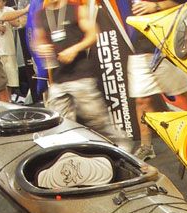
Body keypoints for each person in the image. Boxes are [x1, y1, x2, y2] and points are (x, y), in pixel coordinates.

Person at [32, 0, 123, 142]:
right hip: (58, 80)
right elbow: (37, 40)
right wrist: (41, 47)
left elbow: (93, 34)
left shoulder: (76, 9)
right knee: (59, 126)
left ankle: (120, 146)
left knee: (98, 123)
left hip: (81, 77)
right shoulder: (41, 15)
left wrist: (75, 49)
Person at [128, 0, 187, 161]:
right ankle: (146, 147)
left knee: (185, 92)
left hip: (165, 43)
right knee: (142, 100)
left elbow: (186, 2)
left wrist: (156, 6)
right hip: (141, 46)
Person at [0, 0, 24, 99]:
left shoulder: (9, 10)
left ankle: (9, 100)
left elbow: (18, 23)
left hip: (9, 51)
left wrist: (6, 17)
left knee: (11, 80)